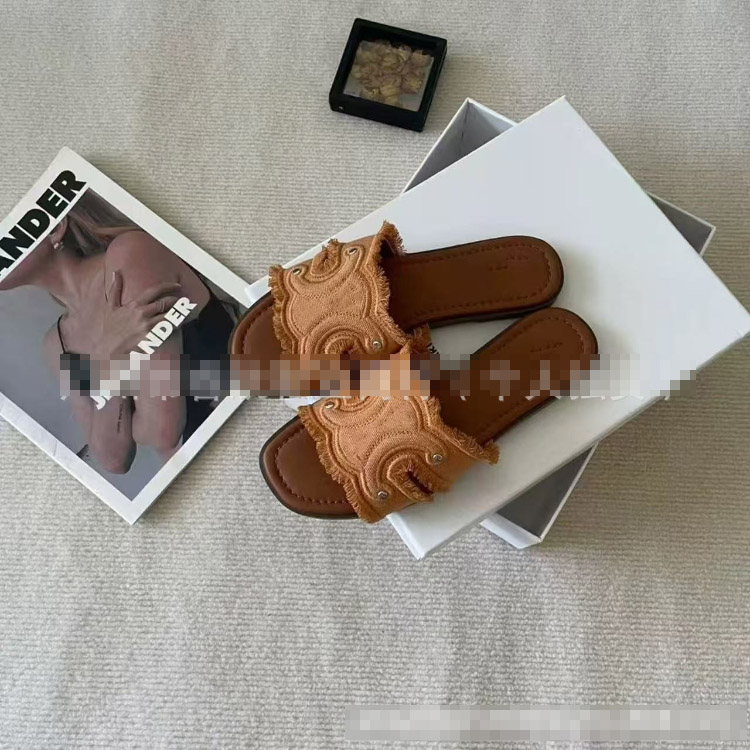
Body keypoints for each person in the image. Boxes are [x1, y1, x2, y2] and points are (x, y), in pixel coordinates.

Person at [0, 191, 234, 474]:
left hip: (242, 435)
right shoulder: (56, 344)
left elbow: (161, 431)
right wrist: (110, 359)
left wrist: (114, 412)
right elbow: (111, 459)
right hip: (199, 473)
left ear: (56, 228)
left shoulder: (130, 255)